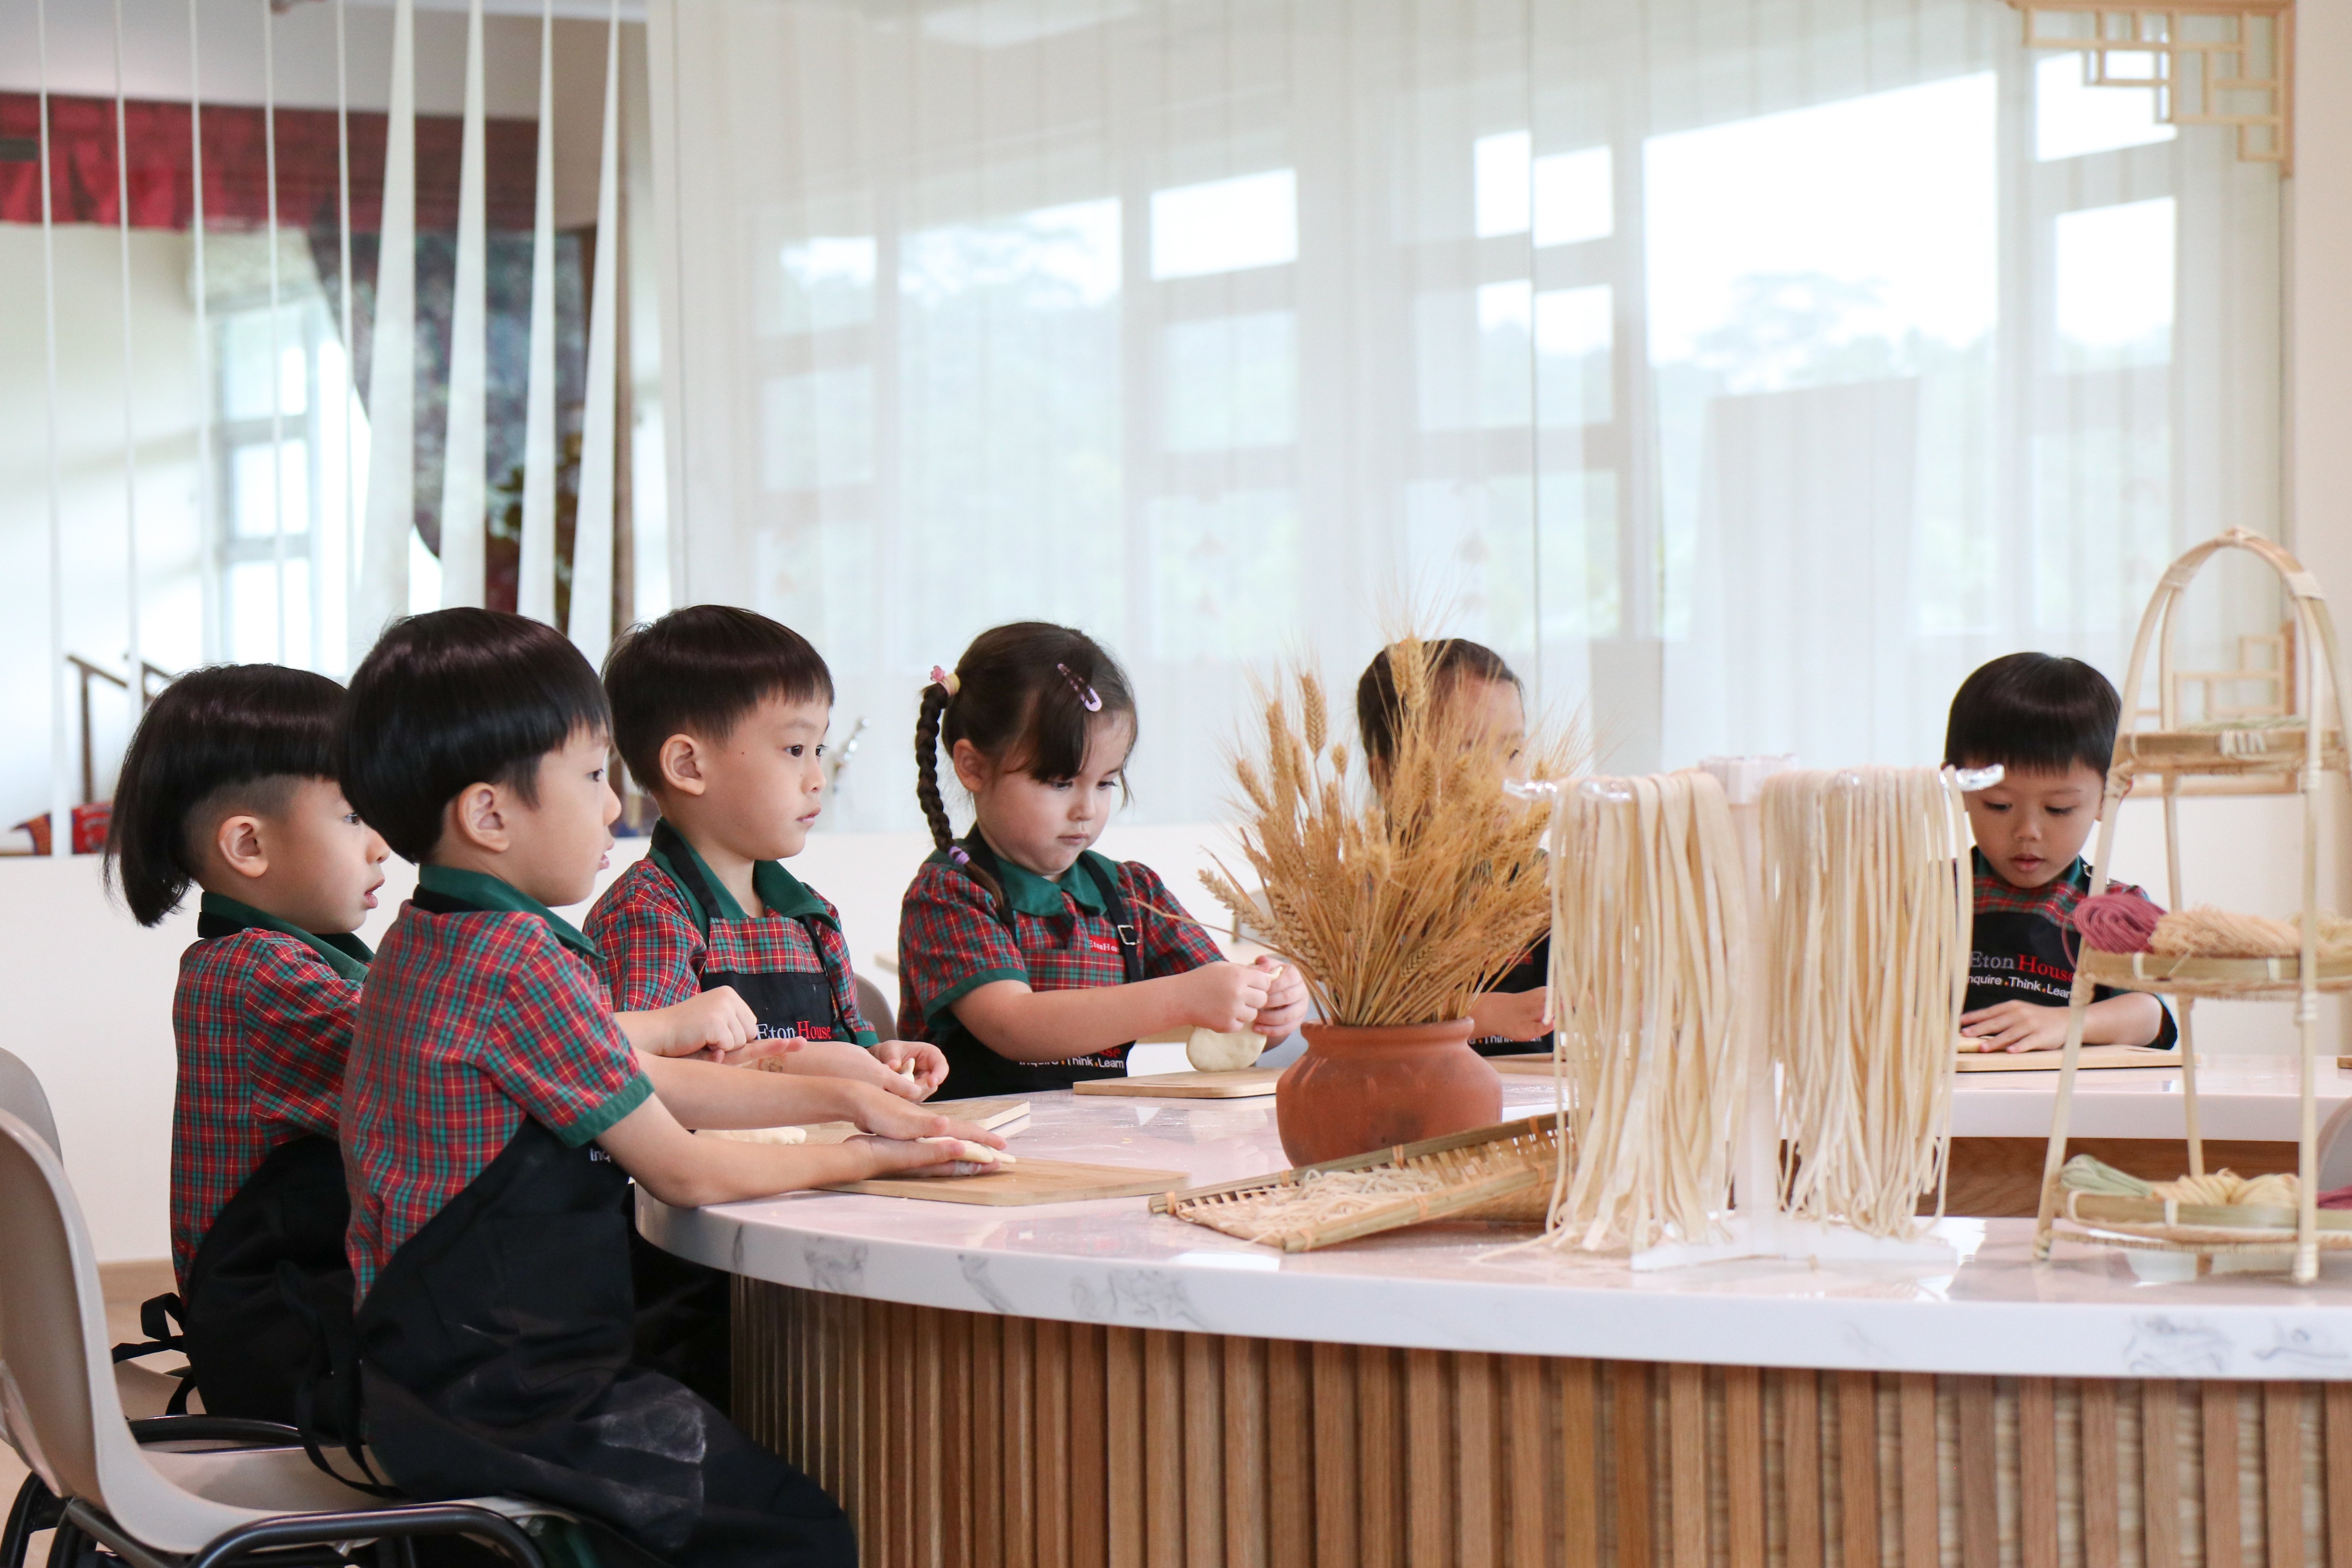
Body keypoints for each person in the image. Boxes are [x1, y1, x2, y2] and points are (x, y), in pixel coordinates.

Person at [338, 607, 1003, 1568]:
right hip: (510, 1394)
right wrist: (866, 1156)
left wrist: (847, 1096)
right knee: (800, 1529)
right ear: (490, 813)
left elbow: (649, 1081)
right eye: (590, 776)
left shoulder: (428, 937)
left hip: (419, 1372)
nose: (614, 805)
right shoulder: (520, 958)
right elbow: (681, 1165)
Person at [585, 605, 947, 1408]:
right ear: (687, 763)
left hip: (824, 1204)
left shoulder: (808, 911)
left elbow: (852, 1041)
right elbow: (655, 1085)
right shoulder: (651, 911)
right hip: (701, 1257)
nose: (817, 775)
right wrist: (831, 1071)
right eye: (793, 749)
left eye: (818, 748)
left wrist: (887, 1062)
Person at [103, 664, 387, 1425]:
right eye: (356, 816)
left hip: (289, 1329)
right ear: (249, 844)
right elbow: (440, 1059)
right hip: (292, 1354)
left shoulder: (281, 957)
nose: (382, 846)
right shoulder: (261, 975)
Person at [899, 622, 1309, 1097]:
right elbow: (1015, 1026)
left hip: (1103, 1142)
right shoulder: (952, 892)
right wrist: (1180, 998)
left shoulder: (1131, 893)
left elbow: (1222, 1010)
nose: (1086, 809)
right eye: (1059, 783)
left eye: (1105, 783)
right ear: (972, 766)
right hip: (978, 1148)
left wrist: (1266, 1007)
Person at [1945, 652, 2176, 1053]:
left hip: (2068, 1106)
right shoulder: (1928, 895)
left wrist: (2067, 1022)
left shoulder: (2112, 909)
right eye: (1998, 805)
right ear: (1958, 786)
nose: (2027, 832)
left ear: (2111, 794)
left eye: (2058, 809)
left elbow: (2149, 1016)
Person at [1354, 638, 1550, 1056]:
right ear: (1389, 776)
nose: (1500, 781)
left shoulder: (1545, 885)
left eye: (1513, 752)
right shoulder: (1363, 896)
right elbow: (1367, 1008)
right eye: (1467, 754)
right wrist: (1488, 1015)